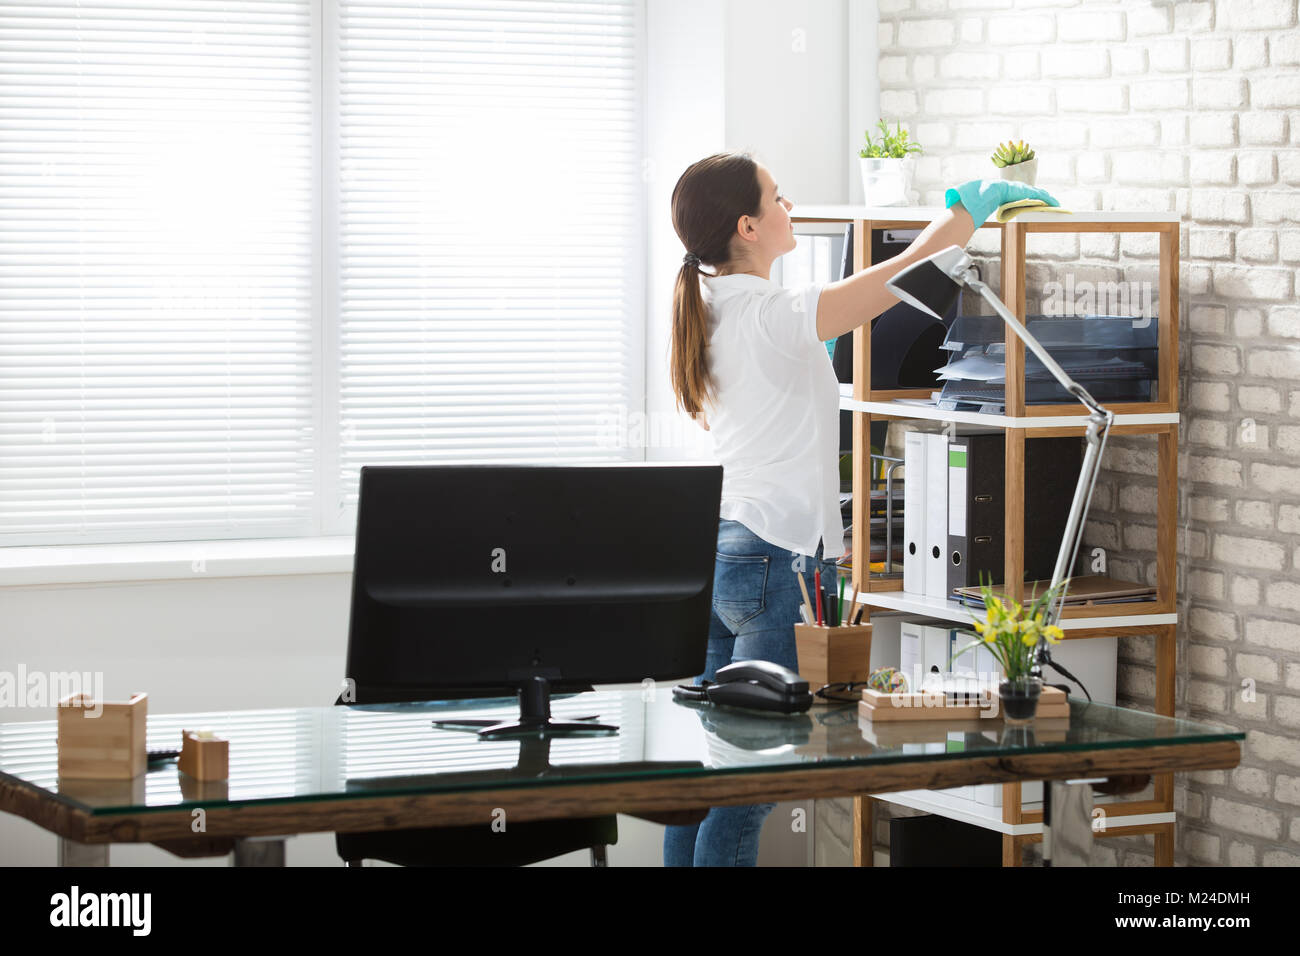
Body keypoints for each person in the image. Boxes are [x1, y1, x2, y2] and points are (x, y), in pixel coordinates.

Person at [662, 151, 1058, 867]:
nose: (792, 205)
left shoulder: (708, 304)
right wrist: (968, 208)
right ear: (748, 227)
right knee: (752, 778)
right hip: (774, 557)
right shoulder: (775, 313)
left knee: (705, 770)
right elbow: (897, 278)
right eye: (778, 198)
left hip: (720, 552)